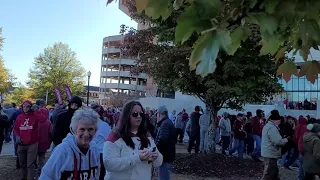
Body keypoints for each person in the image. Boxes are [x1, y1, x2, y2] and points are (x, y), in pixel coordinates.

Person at [103, 101, 163, 180]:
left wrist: (156, 156)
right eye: (135, 114)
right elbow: (109, 164)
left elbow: (159, 162)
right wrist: (137, 158)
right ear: (126, 115)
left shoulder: (147, 135)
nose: (139, 117)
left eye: (141, 114)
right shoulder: (115, 136)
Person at [40, 109, 101, 179]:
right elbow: (46, 177)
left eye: (90, 129)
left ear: (95, 131)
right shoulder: (62, 151)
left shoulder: (95, 150)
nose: (86, 134)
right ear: (75, 130)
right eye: (82, 129)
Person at [14, 100, 42, 180]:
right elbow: (15, 128)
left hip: (32, 144)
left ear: (31, 107)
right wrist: (17, 136)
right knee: (22, 164)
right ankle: (23, 177)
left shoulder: (35, 116)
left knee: (30, 164)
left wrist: (37, 111)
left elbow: (43, 120)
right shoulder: (19, 117)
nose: (25, 108)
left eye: (28, 106)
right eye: (24, 106)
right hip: (21, 144)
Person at [261, 110, 288, 180]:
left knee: (274, 173)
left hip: (269, 153)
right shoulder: (272, 128)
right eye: (279, 121)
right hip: (271, 154)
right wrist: (285, 140)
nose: (280, 122)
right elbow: (278, 141)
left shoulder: (268, 126)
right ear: (276, 120)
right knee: (269, 174)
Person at [90, 103, 111, 180]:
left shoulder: (89, 124)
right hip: (99, 153)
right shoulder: (103, 125)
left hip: (92, 153)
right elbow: (109, 139)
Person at [155, 105, 176, 180]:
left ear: (160, 114)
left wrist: (155, 150)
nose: (156, 116)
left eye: (157, 114)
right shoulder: (167, 122)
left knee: (163, 177)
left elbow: (162, 140)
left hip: (165, 156)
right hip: (167, 155)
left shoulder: (165, 124)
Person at [37, 108, 52, 175]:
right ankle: (42, 170)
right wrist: (49, 142)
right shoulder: (48, 122)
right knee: (42, 158)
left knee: (32, 158)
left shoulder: (35, 121)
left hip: (34, 143)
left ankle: (34, 170)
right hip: (44, 142)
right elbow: (50, 134)